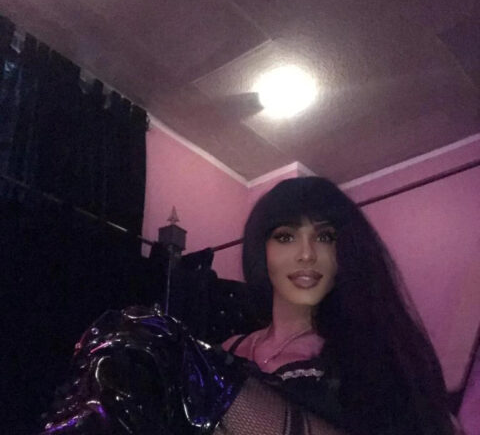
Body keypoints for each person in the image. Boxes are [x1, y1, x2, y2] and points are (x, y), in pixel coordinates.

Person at [39, 177, 459, 435]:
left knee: (147, 336)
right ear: (263, 250)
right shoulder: (230, 347)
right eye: (286, 236)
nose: (307, 254)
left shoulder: (371, 354)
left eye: (325, 237)